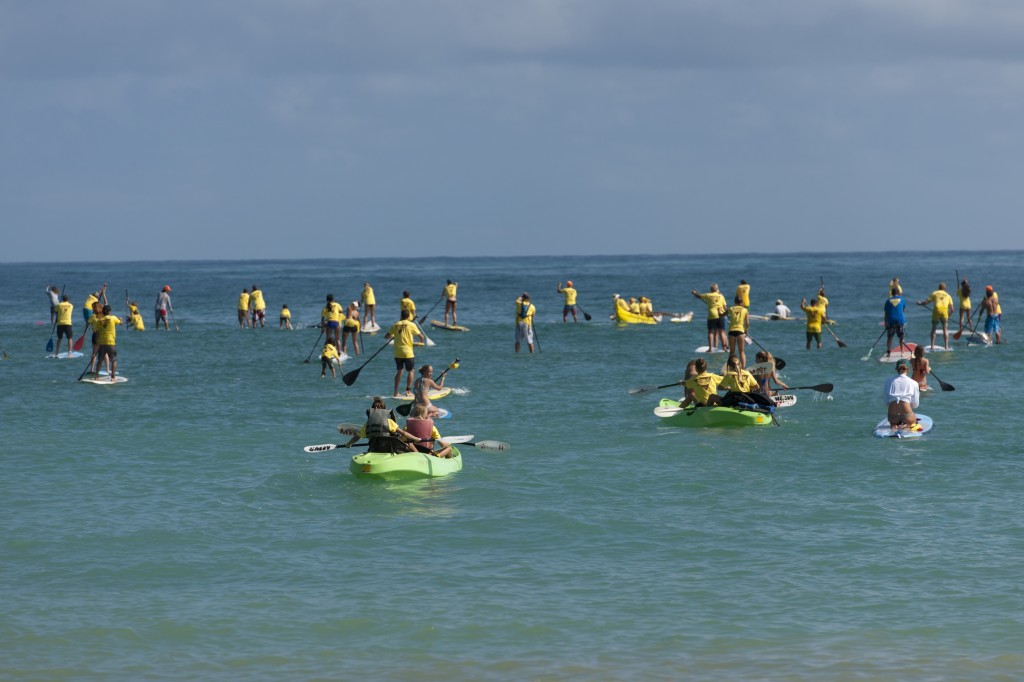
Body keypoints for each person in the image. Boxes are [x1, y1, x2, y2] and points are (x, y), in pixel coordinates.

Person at [344, 397, 418, 453]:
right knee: (410, 444)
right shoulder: (389, 421)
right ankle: (420, 456)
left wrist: (348, 444)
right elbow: (404, 433)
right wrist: (417, 439)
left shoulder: (368, 424)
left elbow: (357, 437)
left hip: (374, 448)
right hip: (389, 448)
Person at [386, 310, 424, 397]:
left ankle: (395, 392)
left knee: (399, 371)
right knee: (411, 371)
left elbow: (387, 336)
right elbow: (421, 336)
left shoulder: (395, 324)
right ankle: (408, 391)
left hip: (397, 352)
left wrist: (394, 336)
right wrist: (421, 343)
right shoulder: (411, 325)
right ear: (409, 316)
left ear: (401, 316)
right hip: (408, 352)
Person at [884, 359, 920, 429]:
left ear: (896, 369)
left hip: (892, 417)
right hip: (907, 416)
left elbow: (886, 402)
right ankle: (906, 425)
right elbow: (915, 405)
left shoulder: (888, 381)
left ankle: (894, 425)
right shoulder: (914, 383)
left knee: (893, 422)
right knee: (913, 420)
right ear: (908, 369)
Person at [918, 282, 954, 350]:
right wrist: (948, 316)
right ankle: (946, 347)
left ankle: (932, 346)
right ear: (945, 289)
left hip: (936, 311)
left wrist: (920, 303)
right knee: (945, 330)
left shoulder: (935, 293)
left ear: (939, 288)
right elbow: (952, 309)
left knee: (934, 329)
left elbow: (926, 302)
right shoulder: (948, 296)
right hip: (944, 312)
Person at [692, 284, 728, 352]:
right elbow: (725, 307)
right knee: (722, 332)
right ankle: (725, 348)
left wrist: (694, 293)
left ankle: (710, 348)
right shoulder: (721, 296)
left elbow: (699, 296)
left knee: (710, 332)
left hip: (712, 315)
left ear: (711, 290)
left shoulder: (708, 295)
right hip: (721, 315)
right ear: (717, 289)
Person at [93, 304, 123, 382]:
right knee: (114, 360)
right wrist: (120, 319)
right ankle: (113, 377)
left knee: (100, 360)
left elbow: (96, 331)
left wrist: (97, 342)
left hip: (102, 343)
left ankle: (96, 376)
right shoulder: (113, 318)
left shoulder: (100, 320)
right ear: (109, 312)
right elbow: (121, 323)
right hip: (111, 343)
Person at [883, 287, 908, 356]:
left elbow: (886, 314)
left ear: (892, 293)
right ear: (898, 293)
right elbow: (903, 310)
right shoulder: (902, 299)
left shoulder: (888, 301)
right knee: (901, 337)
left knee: (890, 337)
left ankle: (889, 352)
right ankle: (902, 353)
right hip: (900, 320)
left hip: (891, 320)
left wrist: (886, 325)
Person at [726, 295, 749, 368]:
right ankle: (743, 368)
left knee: (732, 351)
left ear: (734, 302)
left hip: (732, 331)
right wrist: (746, 330)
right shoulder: (745, 310)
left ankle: (729, 367)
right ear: (741, 302)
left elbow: (721, 315)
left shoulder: (730, 309)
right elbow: (747, 323)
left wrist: (719, 310)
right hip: (740, 332)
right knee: (741, 351)